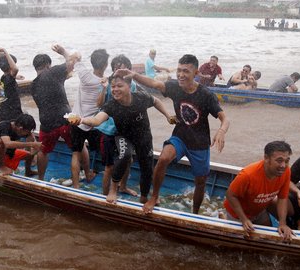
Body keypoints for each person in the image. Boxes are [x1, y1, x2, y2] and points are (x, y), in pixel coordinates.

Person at [115, 54, 230, 214]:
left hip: (199, 143)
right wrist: (134, 75)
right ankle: (154, 197)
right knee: (163, 159)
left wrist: (221, 131)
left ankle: (195, 213)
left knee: (201, 181)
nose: (181, 75)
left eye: (186, 71)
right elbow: (155, 84)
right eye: (179, 70)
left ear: (196, 73)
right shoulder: (174, 87)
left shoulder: (205, 95)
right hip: (180, 137)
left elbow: (225, 118)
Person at [71, 74, 173, 204]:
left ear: (129, 87)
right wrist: (81, 119)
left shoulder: (141, 97)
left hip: (143, 136)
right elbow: (96, 120)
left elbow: (156, 101)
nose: (115, 89)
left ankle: (144, 197)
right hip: (123, 136)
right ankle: (113, 189)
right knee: (125, 155)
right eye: (113, 86)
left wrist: (168, 115)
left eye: (120, 86)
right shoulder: (112, 105)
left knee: (147, 167)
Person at [224, 141, 294, 242]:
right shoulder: (248, 175)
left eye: (286, 161)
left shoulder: (286, 171)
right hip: (237, 213)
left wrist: (282, 223)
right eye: (279, 160)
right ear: (266, 158)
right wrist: (243, 219)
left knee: (269, 240)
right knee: (239, 244)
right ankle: (225, 219)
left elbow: (282, 198)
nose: (283, 165)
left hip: (259, 211)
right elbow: (230, 195)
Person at [30, 44, 79, 181]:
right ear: (47, 65)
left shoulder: (32, 85)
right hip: (65, 119)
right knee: (78, 149)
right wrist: (63, 51)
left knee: (43, 151)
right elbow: (72, 61)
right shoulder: (52, 72)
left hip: (46, 123)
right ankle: (85, 173)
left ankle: (40, 178)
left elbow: (50, 88)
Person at [96, 54, 139, 197]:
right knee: (109, 166)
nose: (118, 72)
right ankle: (104, 195)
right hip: (108, 130)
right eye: (115, 69)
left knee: (128, 160)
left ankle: (123, 187)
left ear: (128, 70)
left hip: (125, 131)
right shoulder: (109, 83)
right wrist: (103, 88)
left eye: (122, 69)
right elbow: (100, 105)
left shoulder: (133, 86)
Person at [69, 49, 110, 188]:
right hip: (93, 124)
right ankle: (101, 177)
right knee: (104, 151)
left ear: (92, 63)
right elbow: (102, 104)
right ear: (105, 64)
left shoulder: (84, 75)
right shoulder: (105, 83)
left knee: (76, 153)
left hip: (75, 120)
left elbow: (73, 58)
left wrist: (77, 56)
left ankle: (76, 186)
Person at [0, 49, 23, 122]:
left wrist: (15, 77)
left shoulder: (3, 78)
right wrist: (5, 52)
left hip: (3, 111)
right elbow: (15, 69)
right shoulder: (9, 78)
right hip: (12, 112)